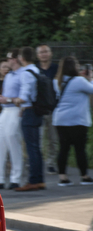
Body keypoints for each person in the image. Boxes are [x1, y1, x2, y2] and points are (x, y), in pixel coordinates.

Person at [52, 56, 93, 186]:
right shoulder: (79, 81)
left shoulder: (57, 81)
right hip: (77, 120)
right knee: (79, 149)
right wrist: (90, 78)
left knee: (63, 149)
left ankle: (63, 178)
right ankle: (84, 176)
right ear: (74, 67)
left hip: (60, 119)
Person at [13, 46, 45, 192]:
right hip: (37, 111)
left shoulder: (26, 73)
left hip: (29, 112)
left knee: (31, 148)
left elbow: (24, 96)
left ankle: (33, 181)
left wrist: (15, 100)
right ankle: (39, 179)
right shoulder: (36, 70)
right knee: (36, 147)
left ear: (21, 58)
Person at [0, 49, 24, 190]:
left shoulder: (24, 74)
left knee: (12, 139)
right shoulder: (9, 76)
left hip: (16, 109)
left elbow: (24, 97)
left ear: (15, 59)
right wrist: (0, 98)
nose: (7, 61)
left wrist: (7, 99)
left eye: (9, 58)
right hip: (5, 110)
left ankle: (16, 178)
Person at [36, 44, 60, 174]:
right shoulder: (35, 69)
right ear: (37, 55)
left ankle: (51, 163)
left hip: (53, 108)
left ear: (50, 53)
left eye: (46, 51)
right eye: (41, 52)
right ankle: (37, 163)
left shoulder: (56, 69)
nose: (44, 54)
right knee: (38, 139)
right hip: (38, 109)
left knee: (53, 138)